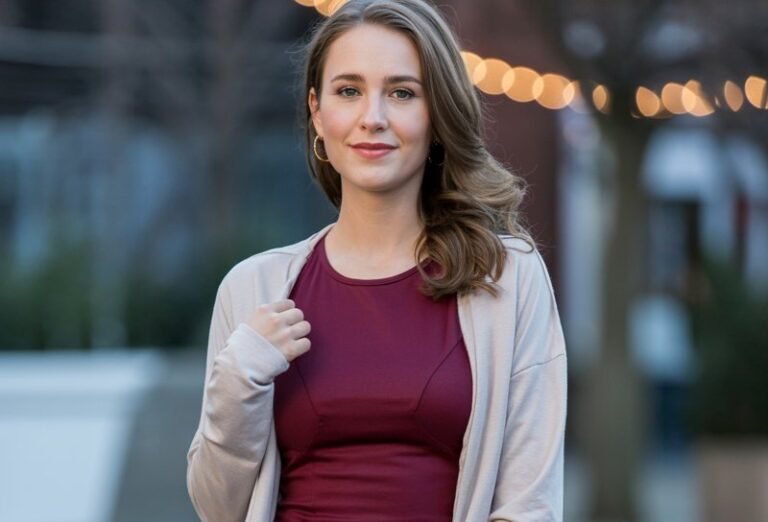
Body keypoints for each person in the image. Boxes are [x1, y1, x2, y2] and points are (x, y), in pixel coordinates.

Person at [186, 0, 567, 520]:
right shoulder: (253, 289)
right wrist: (239, 381)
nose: (373, 117)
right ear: (317, 112)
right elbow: (217, 508)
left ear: (436, 115)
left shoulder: (506, 278)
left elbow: (529, 505)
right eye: (349, 91)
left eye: (402, 93)